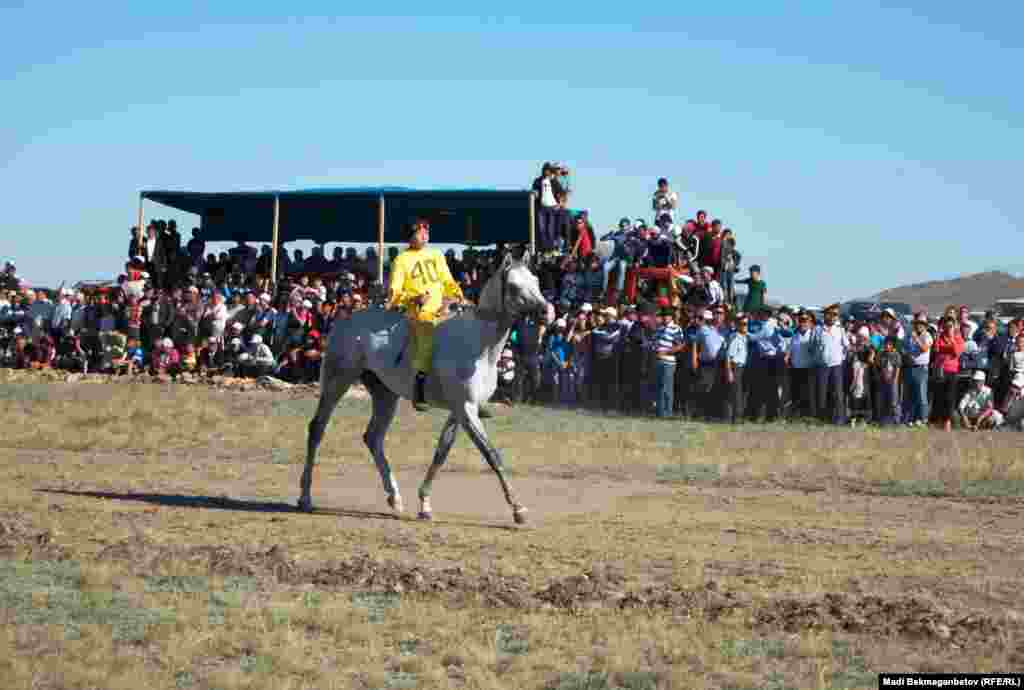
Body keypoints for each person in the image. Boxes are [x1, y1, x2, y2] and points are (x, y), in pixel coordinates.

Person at [386, 218, 467, 412]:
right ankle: (419, 391)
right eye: (420, 232)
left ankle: (468, 393)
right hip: (420, 314)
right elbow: (394, 294)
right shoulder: (401, 260)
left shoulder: (436, 255)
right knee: (427, 343)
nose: (425, 234)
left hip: (444, 309)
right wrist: (413, 298)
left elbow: (447, 280)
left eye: (426, 231)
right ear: (410, 236)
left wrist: (457, 293)